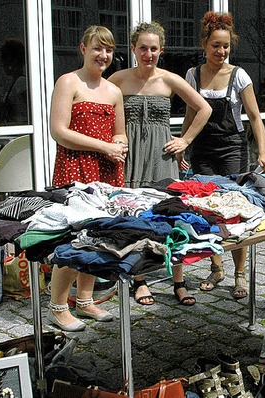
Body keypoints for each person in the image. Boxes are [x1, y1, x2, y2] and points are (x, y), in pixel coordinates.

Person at [108, 21, 212, 306]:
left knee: (171, 217)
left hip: (161, 157)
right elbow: (104, 111)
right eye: (143, 48)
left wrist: (185, 141)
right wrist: (111, 143)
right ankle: (140, 281)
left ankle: (179, 281)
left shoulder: (169, 79)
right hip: (130, 158)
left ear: (161, 50)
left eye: (154, 48)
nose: (148, 53)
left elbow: (204, 108)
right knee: (135, 217)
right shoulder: (118, 78)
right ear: (133, 49)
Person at [181, 11, 265, 299]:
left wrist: (263, 152)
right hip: (203, 150)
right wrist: (183, 145)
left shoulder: (239, 75)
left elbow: (256, 117)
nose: (221, 52)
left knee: (235, 212)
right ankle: (217, 267)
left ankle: (240, 274)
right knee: (208, 210)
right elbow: (189, 114)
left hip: (233, 148)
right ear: (204, 45)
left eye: (225, 46)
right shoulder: (192, 75)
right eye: (215, 46)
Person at [48, 26, 128, 331]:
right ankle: (57, 306)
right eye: (97, 48)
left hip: (107, 170)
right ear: (83, 49)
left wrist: (119, 145)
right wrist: (104, 146)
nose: (103, 55)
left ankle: (84, 300)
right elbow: (59, 131)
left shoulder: (114, 91)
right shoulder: (68, 82)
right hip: (75, 167)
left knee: (97, 237)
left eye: (108, 50)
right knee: (73, 238)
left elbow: (119, 131)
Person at [0, 38, 28, 124]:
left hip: (21, 126)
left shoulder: (21, 82)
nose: (4, 66)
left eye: (7, 62)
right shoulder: (15, 82)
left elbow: (31, 106)